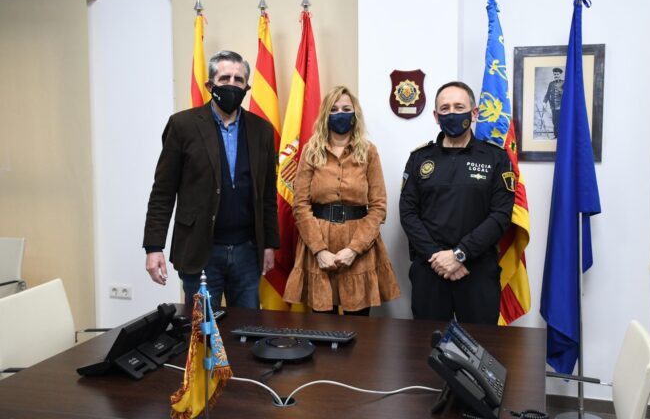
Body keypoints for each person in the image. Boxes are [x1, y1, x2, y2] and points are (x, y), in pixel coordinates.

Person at [143, 50, 279, 308]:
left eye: (238, 80)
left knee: (246, 328)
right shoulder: (182, 126)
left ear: (247, 87)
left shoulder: (261, 130)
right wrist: (153, 247)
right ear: (209, 85)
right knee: (201, 329)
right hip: (200, 251)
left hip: (247, 253)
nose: (232, 84)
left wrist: (269, 244)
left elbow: (267, 194)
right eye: (224, 78)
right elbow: (162, 192)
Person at [399, 81, 515, 324]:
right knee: (427, 343)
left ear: (474, 113)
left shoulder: (495, 158)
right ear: (436, 116)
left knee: (480, 344)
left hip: (477, 270)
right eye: (445, 108)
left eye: (459, 107)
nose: (451, 113)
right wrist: (437, 257)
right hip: (430, 269)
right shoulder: (419, 158)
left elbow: (501, 215)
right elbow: (408, 213)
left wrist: (460, 254)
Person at [283, 86, 400, 315]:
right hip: (318, 242)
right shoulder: (310, 151)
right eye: (334, 109)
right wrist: (319, 250)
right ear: (325, 114)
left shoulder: (368, 151)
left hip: (359, 246)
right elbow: (300, 205)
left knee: (359, 325)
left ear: (355, 114)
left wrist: (354, 249)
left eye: (346, 109)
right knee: (322, 324)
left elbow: (378, 207)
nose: (340, 114)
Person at [543, 67, 564, 139]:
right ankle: (556, 136)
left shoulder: (564, 82)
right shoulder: (551, 84)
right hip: (553, 106)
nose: (556, 75)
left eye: (557, 74)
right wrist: (544, 102)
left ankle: (562, 136)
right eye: (555, 74)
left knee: (562, 120)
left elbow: (568, 94)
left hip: (562, 106)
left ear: (560, 74)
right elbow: (547, 94)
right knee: (554, 121)